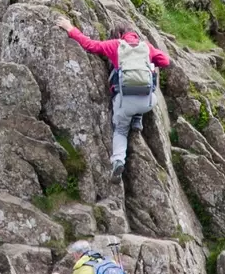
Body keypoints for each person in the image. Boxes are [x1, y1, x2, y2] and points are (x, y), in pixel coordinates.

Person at [58, 17, 171, 178]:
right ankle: (138, 119)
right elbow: (165, 61)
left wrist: (70, 28)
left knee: (120, 131)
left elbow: (90, 45)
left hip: (125, 102)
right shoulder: (146, 47)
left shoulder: (115, 45)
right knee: (149, 87)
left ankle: (118, 161)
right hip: (147, 102)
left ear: (118, 34)